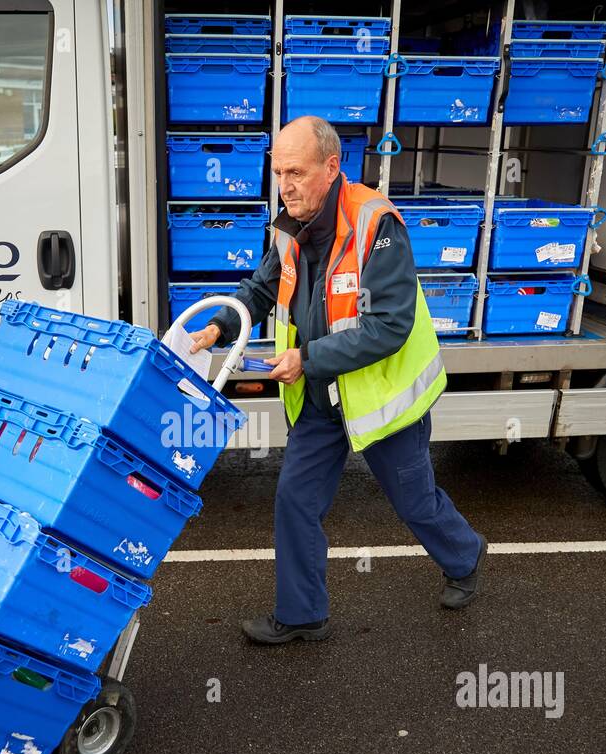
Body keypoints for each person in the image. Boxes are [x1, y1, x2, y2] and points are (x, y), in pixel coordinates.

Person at [188, 115, 487, 645]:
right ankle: (302, 614)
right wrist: (219, 325)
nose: (285, 185)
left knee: (414, 502)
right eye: (278, 172)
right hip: (320, 398)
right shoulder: (289, 225)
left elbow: (389, 326)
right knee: (295, 500)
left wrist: (306, 357)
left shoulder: (377, 225)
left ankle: (464, 556)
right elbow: (259, 289)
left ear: (331, 167)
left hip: (381, 398)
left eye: (296, 172)